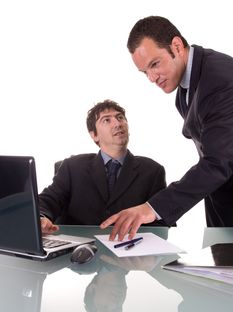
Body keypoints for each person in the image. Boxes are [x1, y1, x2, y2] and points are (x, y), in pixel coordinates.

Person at [100, 16, 233, 241]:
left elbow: (219, 162)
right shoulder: (186, 86)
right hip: (223, 208)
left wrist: (152, 207)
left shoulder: (221, 80)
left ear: (177, 46)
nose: (152, 78)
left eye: (154, 64)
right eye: (145, 72)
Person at [39, 99, 166, 233]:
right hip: (80, 247)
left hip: (130, 247)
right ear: (94, 135)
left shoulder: (153, 171)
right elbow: (49, 199)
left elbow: (161, 219)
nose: (117, 123)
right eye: (106, 120)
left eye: (120, 118)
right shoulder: (72, 167)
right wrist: (41, 218)